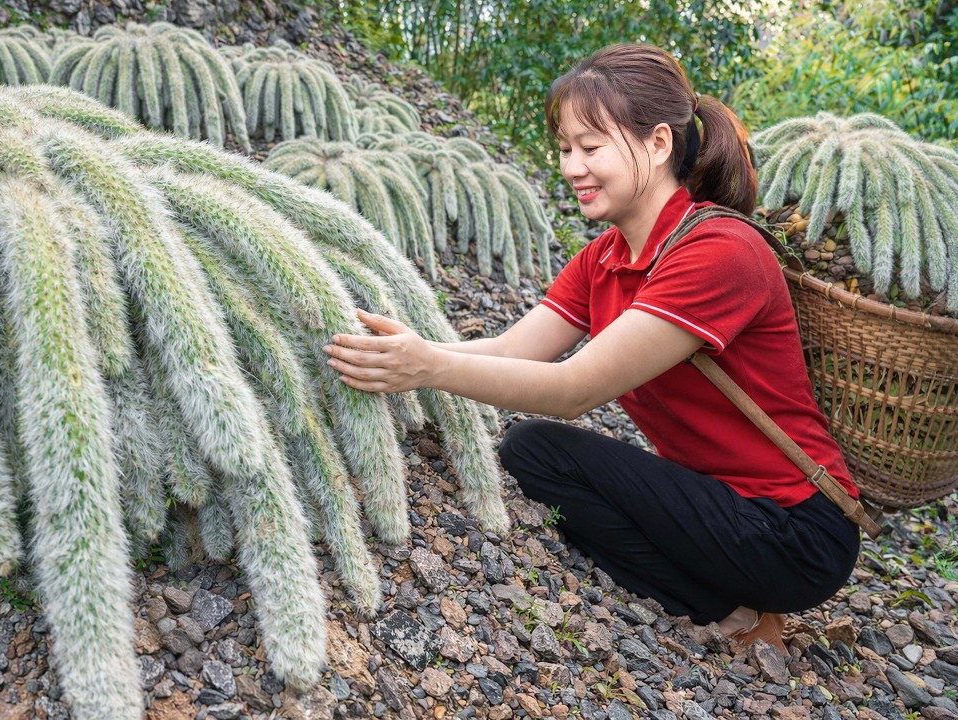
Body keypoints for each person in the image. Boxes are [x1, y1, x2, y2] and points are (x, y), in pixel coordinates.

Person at [321, 43, 860, 651]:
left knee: (539, 447)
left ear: (658, 144)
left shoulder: (718, 252)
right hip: (717, 504)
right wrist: (409, 352)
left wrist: (429, 367)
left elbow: (575, 391)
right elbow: (516, 349)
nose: (572, 167)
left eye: (591, 147)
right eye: (564, 149)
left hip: (796, 531)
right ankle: (729, 609)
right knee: (534, 459)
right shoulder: (603, 258)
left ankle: (741, 604)